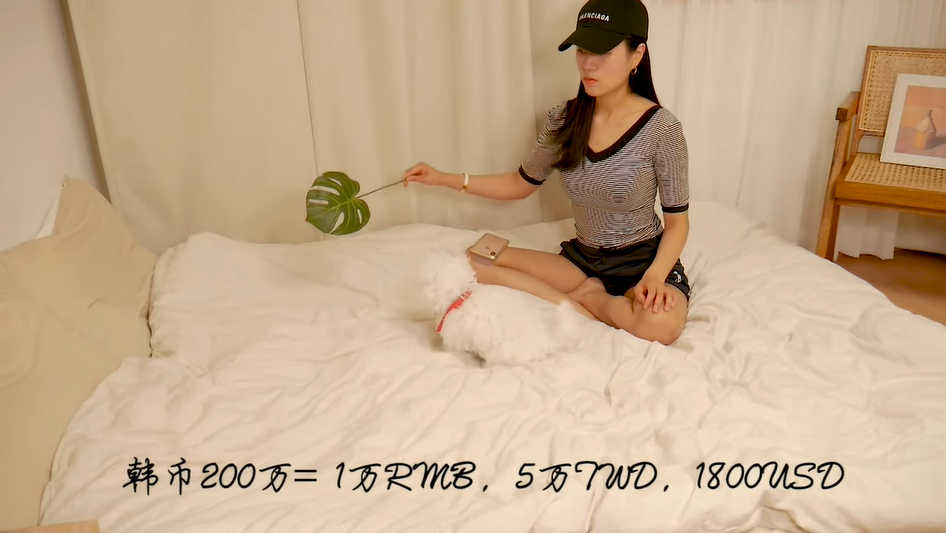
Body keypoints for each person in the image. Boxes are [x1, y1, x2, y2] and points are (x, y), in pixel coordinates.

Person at [402, 0, 691, 346]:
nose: (588, 63)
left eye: (602, 51)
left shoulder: (662, 129)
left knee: (660, 328)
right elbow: (519, 183)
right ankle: (584, 304)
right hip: (584, 261)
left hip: (642, 262)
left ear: (636, 55)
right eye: (582, 50)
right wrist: (444, 178)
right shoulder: (563, 120)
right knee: (474, 261)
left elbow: (677, 224)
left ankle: (591, 301)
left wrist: (655, 278)